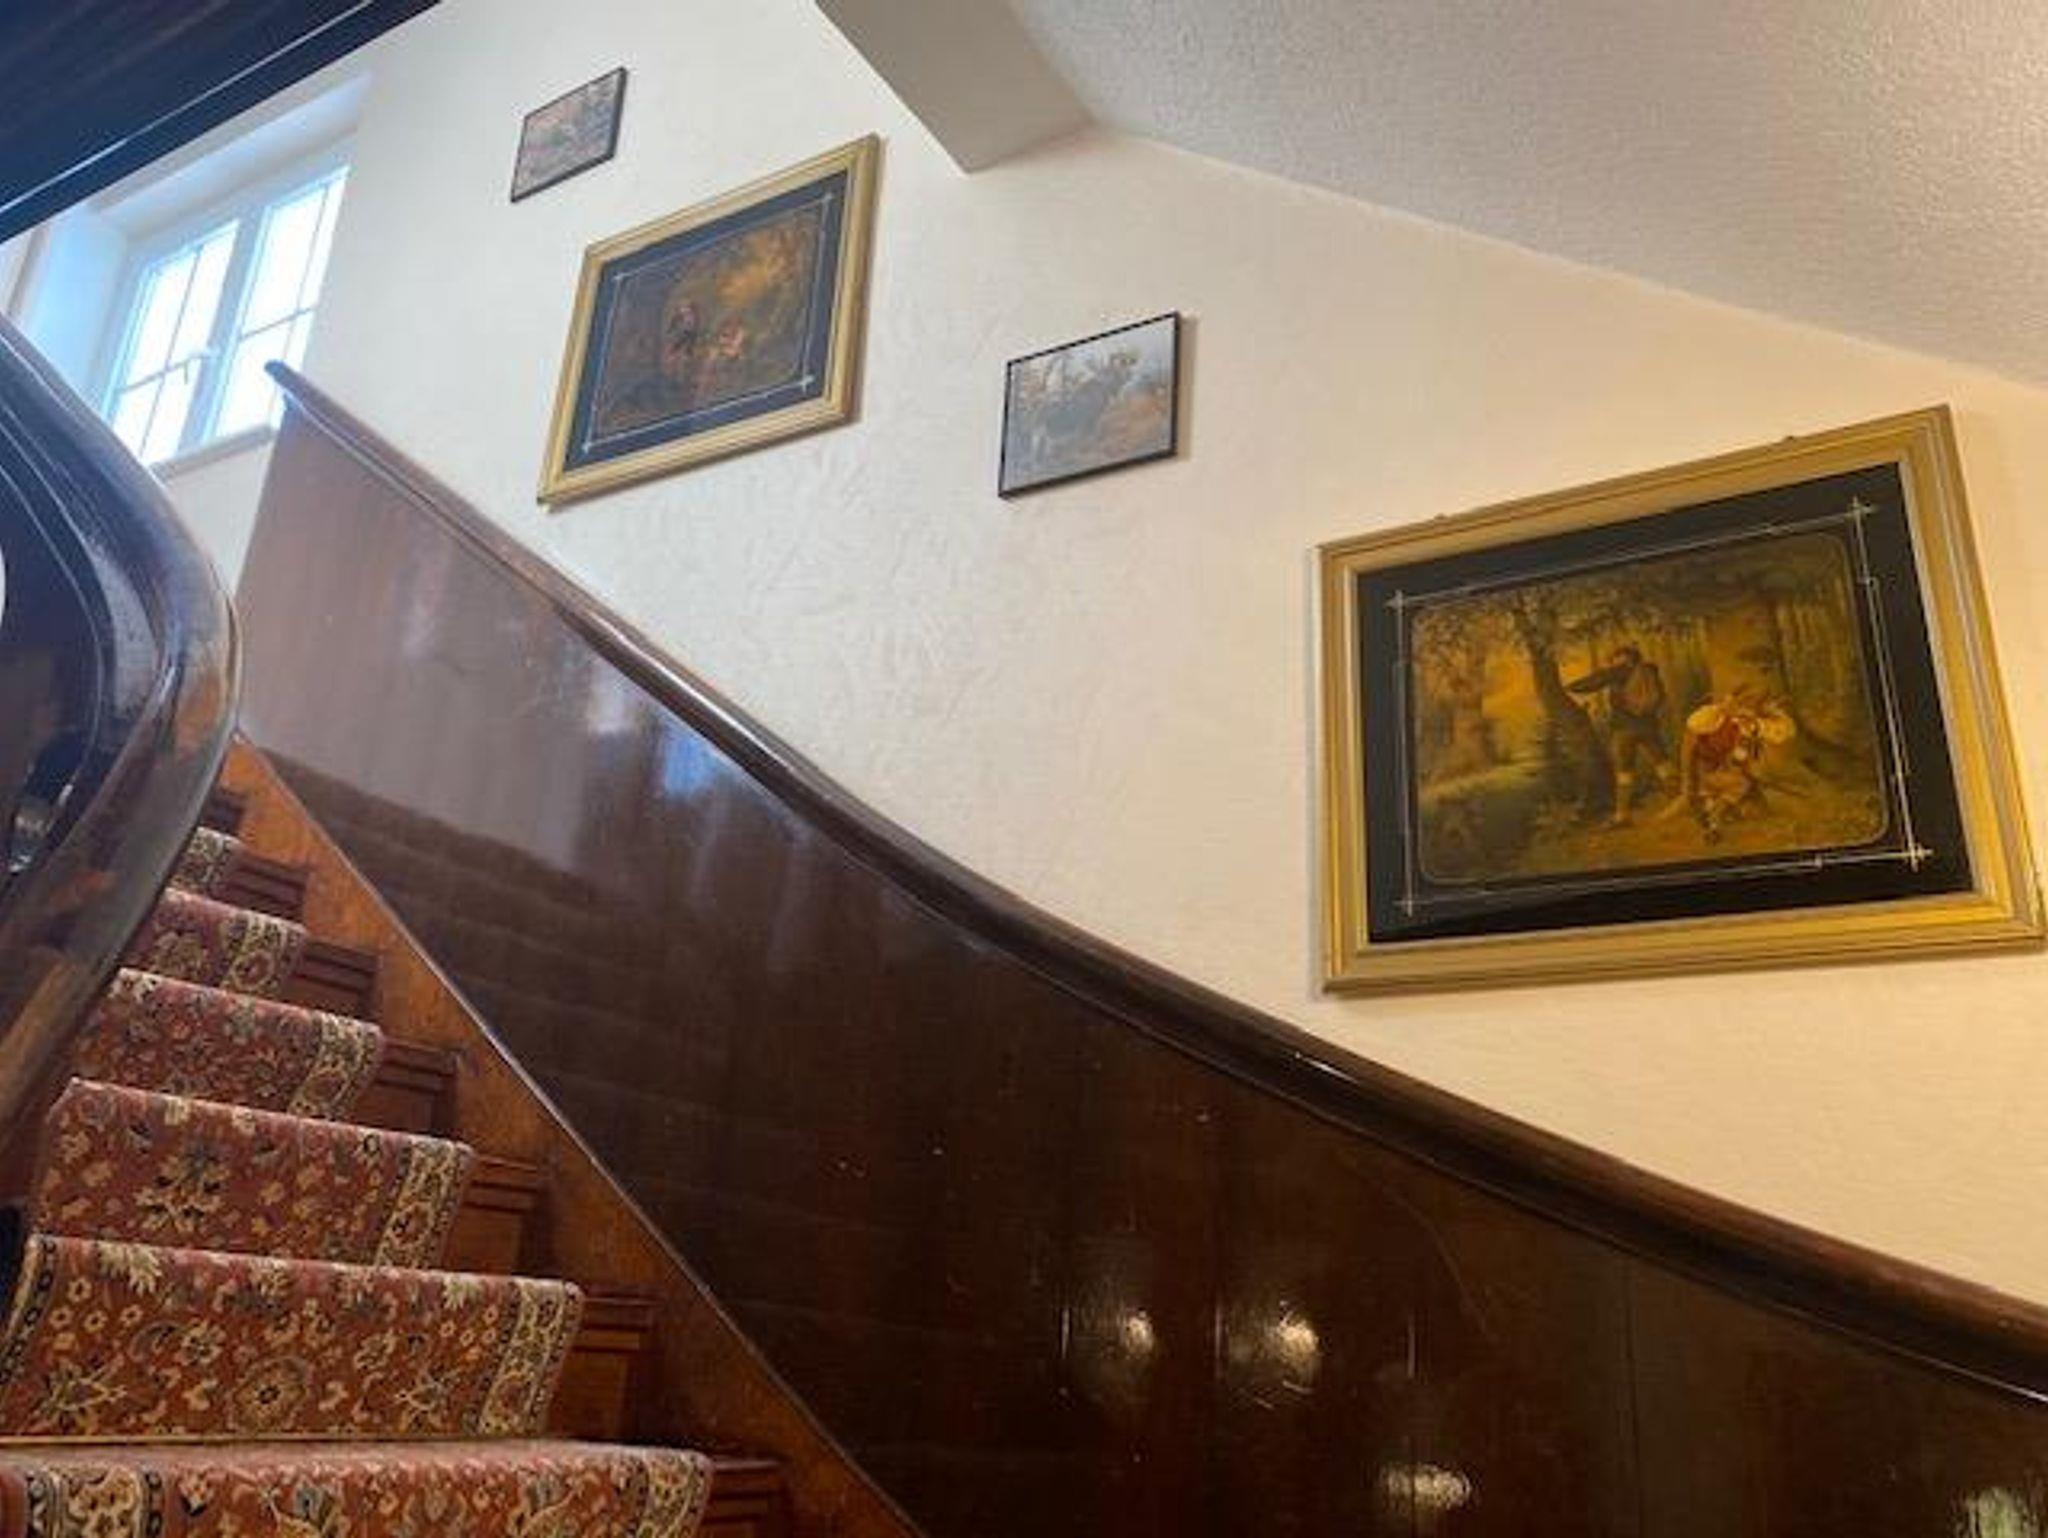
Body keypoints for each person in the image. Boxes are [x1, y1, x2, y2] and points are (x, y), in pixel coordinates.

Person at [1565, 643, 1670, 825]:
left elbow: (1593, 682)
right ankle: (1682, 800)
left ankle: (1622, 815)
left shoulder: (1618, 671)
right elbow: (1660, 698)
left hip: (1624, 729)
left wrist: (1569, 687)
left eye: (1616, 657)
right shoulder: (1650, 671)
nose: (1613, 661)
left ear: (1625, 657)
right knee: (1662, 764)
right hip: (1649, 727)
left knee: (1624, 771)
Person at [1679, 685, 1796, 840]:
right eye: (1745, 703)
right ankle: (1714, 819)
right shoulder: (1709, 718)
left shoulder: (1745, 727)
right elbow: (1689, 749)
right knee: (1740, 785)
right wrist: (1688, 781)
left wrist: (1764, 718)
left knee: (1756, 809)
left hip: (1726, 775)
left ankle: (1717, 813)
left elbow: (1782, 732)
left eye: (1752, 706)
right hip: (1703, 774)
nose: (1746, 710)